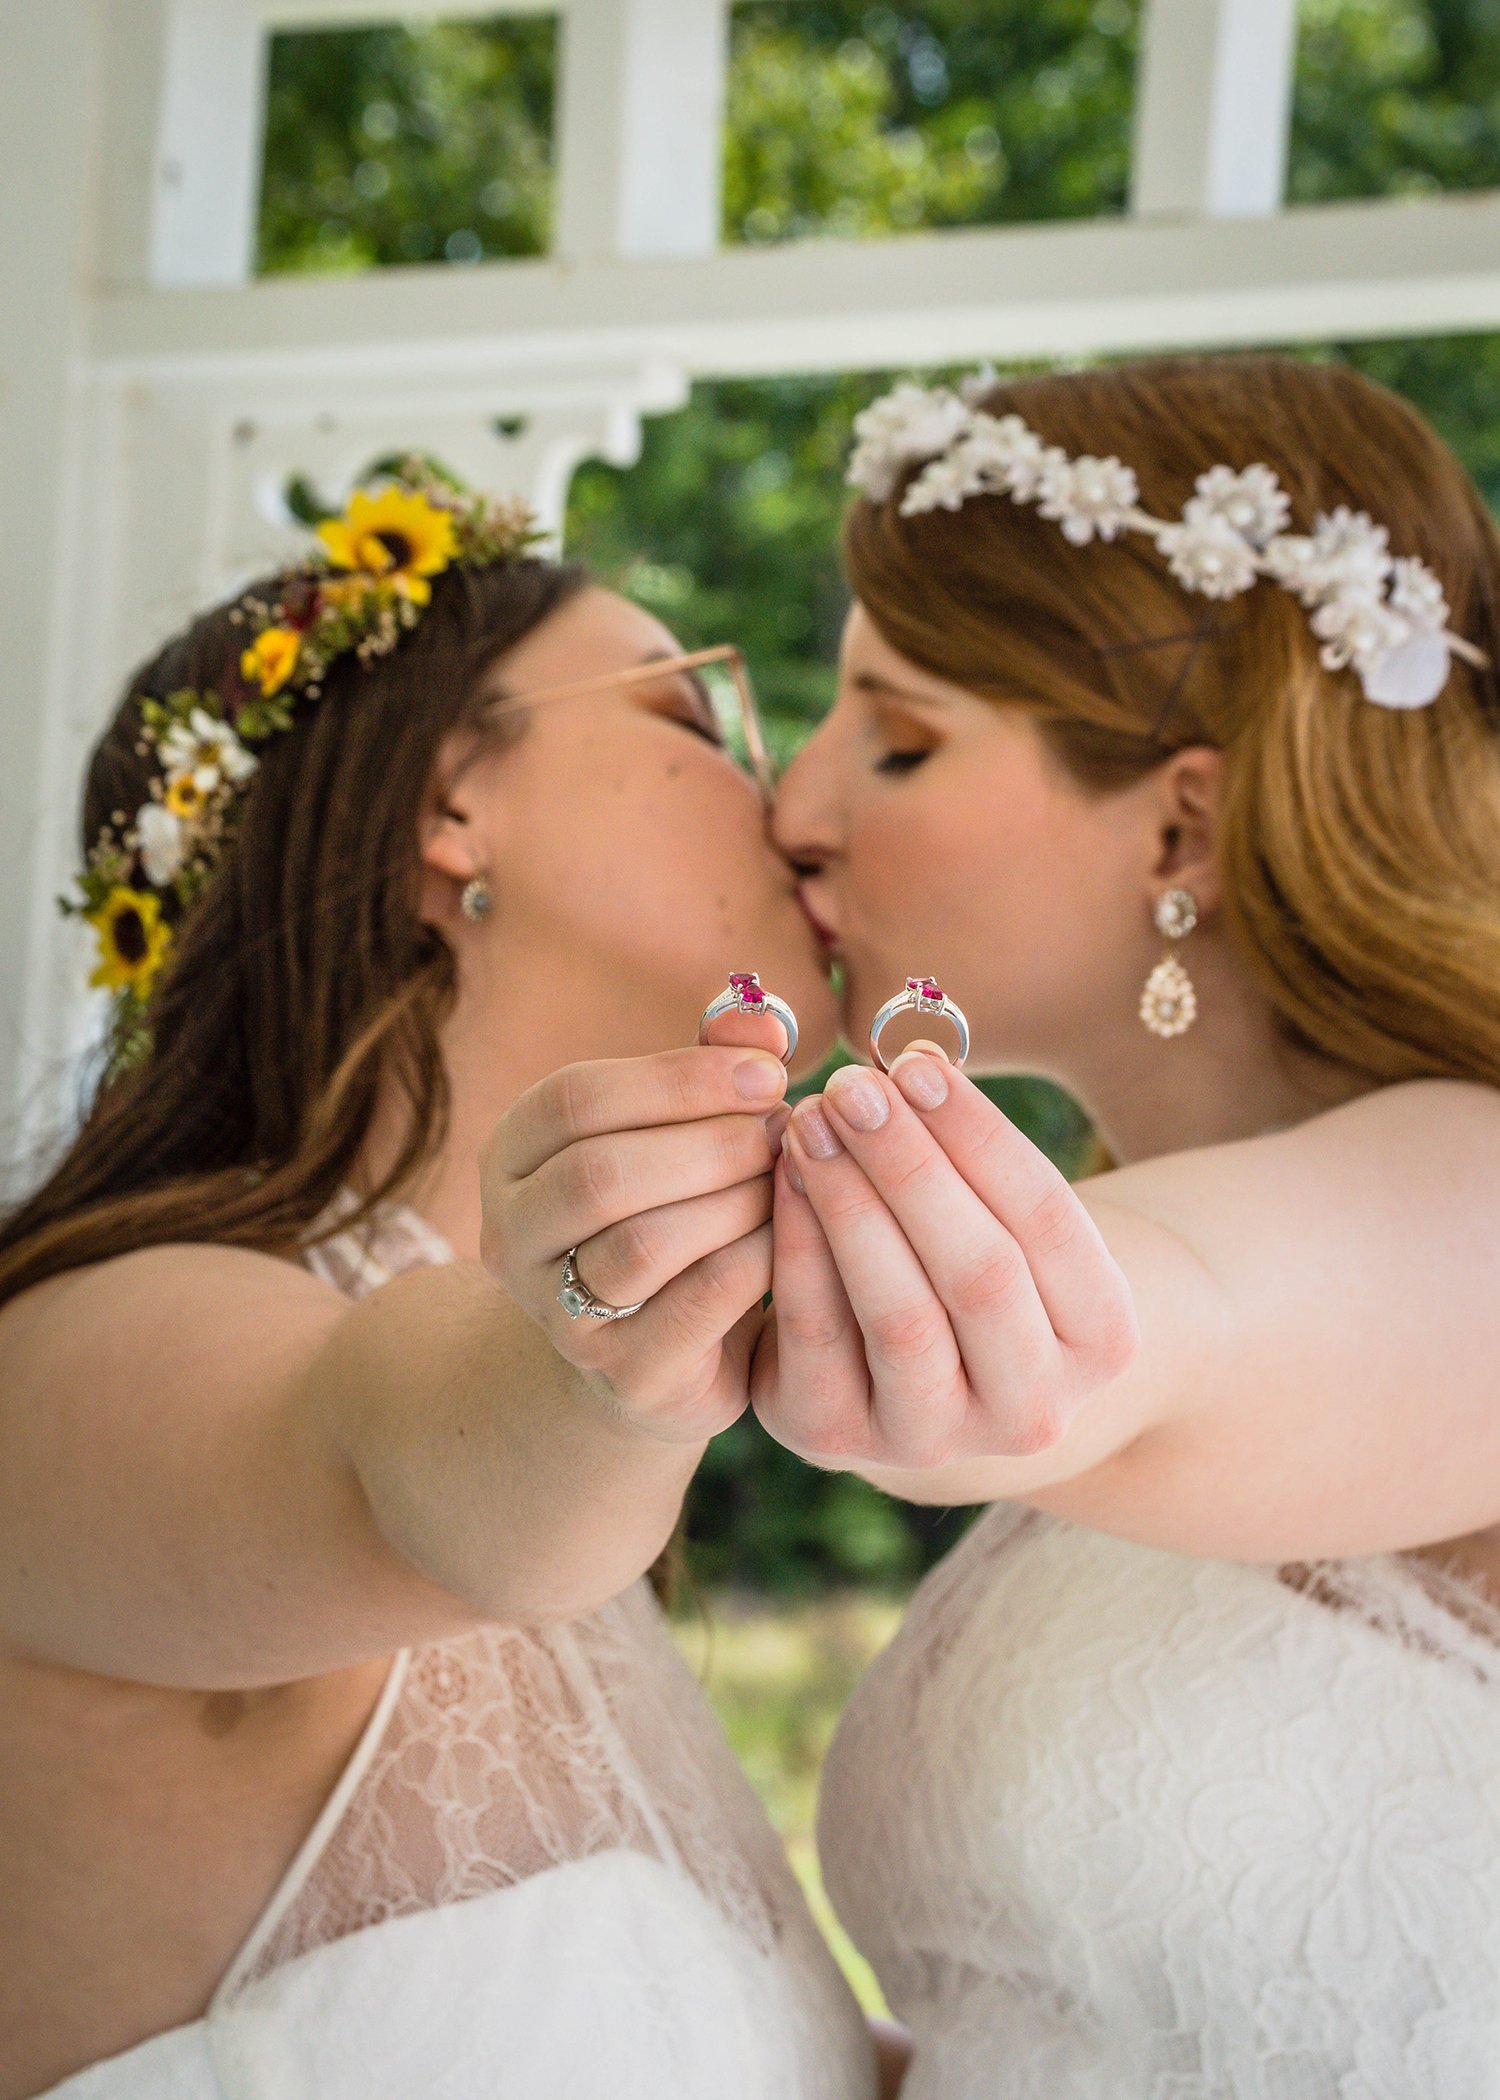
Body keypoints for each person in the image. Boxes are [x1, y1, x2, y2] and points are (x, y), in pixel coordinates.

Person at [0, 467, 876, 2100]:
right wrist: (616, 1351)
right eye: (700, 721)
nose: (790, 803)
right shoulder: (87, 1348)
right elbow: (404, 1455)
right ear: (450, 803)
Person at [756, 354, 1500, 2096]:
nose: (795, 807)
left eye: (899, 737)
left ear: (1183, 817)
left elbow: (1124, 1330)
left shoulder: (1474, 1185)